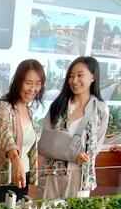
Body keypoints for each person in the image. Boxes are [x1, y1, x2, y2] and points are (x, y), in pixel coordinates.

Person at [37, 56, 109, 199]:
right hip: (52, 172)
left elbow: (96, 145)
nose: (74, 80)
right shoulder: (59, 106)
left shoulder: (100, 110)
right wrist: (69, 153)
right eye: (71, 76)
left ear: (93, 77)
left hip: (80, 175)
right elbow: (46, 141)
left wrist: (83, 157)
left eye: (80, 75)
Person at [0, 59, 44, 203]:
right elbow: (5, 135)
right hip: (1, 182)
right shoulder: (3, 107)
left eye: (37, 84)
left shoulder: (30, 111)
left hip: (22, 179)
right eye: (28, 83)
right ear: (18, 82)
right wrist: (15, 161)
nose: (32, 89)